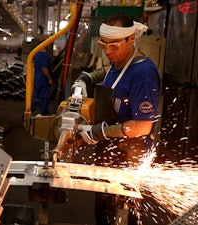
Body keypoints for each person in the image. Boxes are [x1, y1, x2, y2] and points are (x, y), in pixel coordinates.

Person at [73, 15, 161, 225]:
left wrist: (97, 133)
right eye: (104, 45)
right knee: (102, 214)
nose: (108, 51)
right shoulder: (118, 62)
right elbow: (106, 72)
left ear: (131, 39)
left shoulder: (143, 73)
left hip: (129, 156)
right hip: (109, 152)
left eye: (114, 45)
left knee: (126, 215)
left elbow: (142, 125)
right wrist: (86, 78)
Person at [32, 44, 54, 115]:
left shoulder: (37, 55)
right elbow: (44, 68)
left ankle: (28, 114)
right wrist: (50, 79)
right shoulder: (44, 55)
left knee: (36, 98)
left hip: (37, 80)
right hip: (43, 81)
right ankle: (44, 115)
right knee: (44, 98)